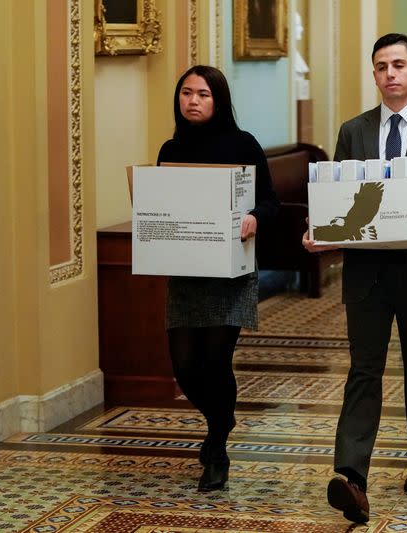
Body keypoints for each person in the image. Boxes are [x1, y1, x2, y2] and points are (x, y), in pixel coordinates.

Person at [302, 33, 407, 524]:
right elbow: (338, 200)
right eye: (381, 66)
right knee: (363, 370)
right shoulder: (352, 130)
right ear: (374, 75)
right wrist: (318, 233)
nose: (390, 73)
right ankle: (351, 476)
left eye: (399, 64)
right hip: (368, 273)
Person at [156, 65, 279, 491]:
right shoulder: (170, 149)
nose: (193, 100)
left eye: (203, 94)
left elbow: (271, 202)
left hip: (230, 273)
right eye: (186, 93)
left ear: (219, 99)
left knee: (215, 361)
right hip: (187, 273)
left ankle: (217, 448)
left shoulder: (243, 144)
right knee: (185, 366)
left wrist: (252, 217)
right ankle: (222, 418)